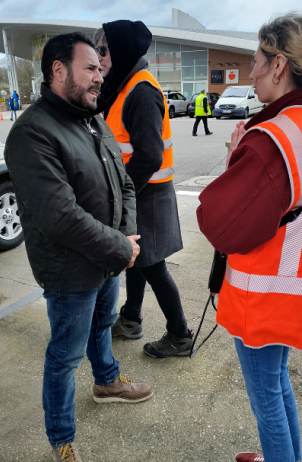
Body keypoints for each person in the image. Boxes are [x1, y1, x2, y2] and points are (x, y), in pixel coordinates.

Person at [3, 32, 153, 462]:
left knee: (103, 324)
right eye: (90, 68)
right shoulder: (31, 133)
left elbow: (123, 182)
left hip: (107, 256)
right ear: (58, 70)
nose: (99, 78)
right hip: (70, 269)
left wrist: (123, 239)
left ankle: (107, 381)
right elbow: (60, 216)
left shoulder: (92, 118)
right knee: (65, 356)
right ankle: (61, 439)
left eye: (101, 70)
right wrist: (119, 247)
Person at [196, 12, 302, 462]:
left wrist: (238, 156)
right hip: (295, 284)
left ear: (278, 64)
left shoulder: (271, 137)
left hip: (264, 293)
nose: (251, 71)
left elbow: (219, 220)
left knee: (266, 402)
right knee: (278, 388)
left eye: (256, 60)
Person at [93, 20, 192, 358]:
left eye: (103, 50)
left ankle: (180, 336)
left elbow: (148, 155)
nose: (100, 57)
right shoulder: (123, 85)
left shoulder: (141, 90)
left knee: (152, 266)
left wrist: (121, 193)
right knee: (134, 259)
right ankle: (131, 318)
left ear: (120, 51)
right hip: (140, 192)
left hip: (147, 193)